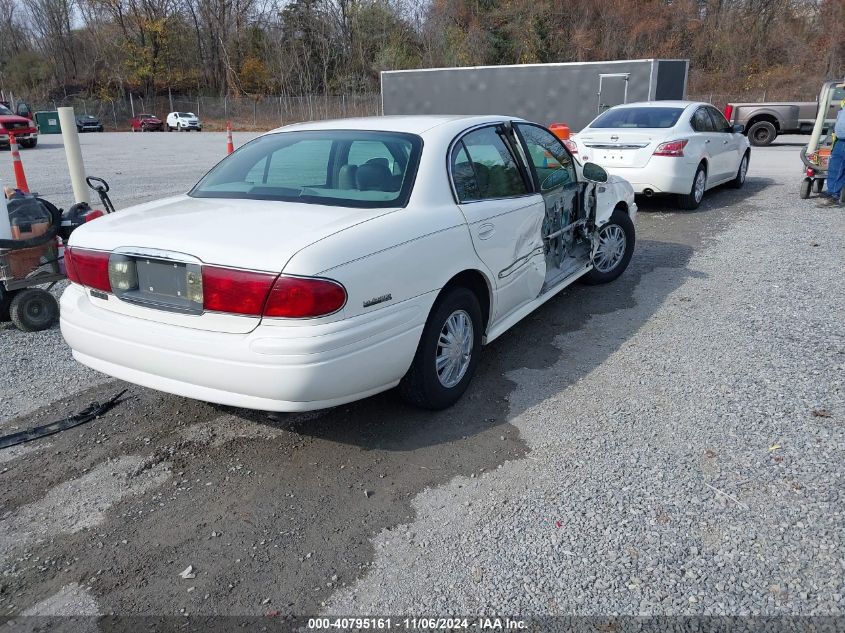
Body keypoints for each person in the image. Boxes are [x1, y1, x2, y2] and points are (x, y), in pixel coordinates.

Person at [817, 96, 845, 207]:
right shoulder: (843, 104)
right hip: (840, 140)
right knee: (835, 168)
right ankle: (832, 193)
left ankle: (833, 193)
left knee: (838, 167)